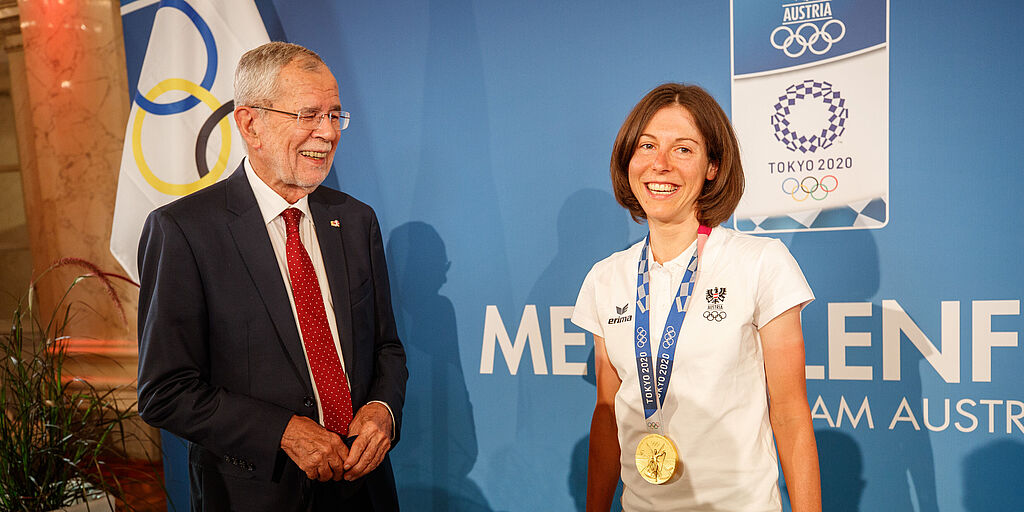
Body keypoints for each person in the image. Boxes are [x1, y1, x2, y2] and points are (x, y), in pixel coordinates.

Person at [136, 42, 407, 511]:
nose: (327, 133)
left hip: (364, 491)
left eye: (335, 115)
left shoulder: (356, 220)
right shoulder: (183, 231)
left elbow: (386, 348)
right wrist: (282, 432)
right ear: (250, 124)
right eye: (308, 115)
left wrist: (383, 410)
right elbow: (166, 391)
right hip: (255, 493)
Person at [571, 83, 821, 511]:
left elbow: (791, 414)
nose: (660, 164)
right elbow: (608, 412)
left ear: (712, 166)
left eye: (683, 149)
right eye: (647, 146)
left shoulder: (760, 262)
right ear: (628, 159)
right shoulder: (605, 278)